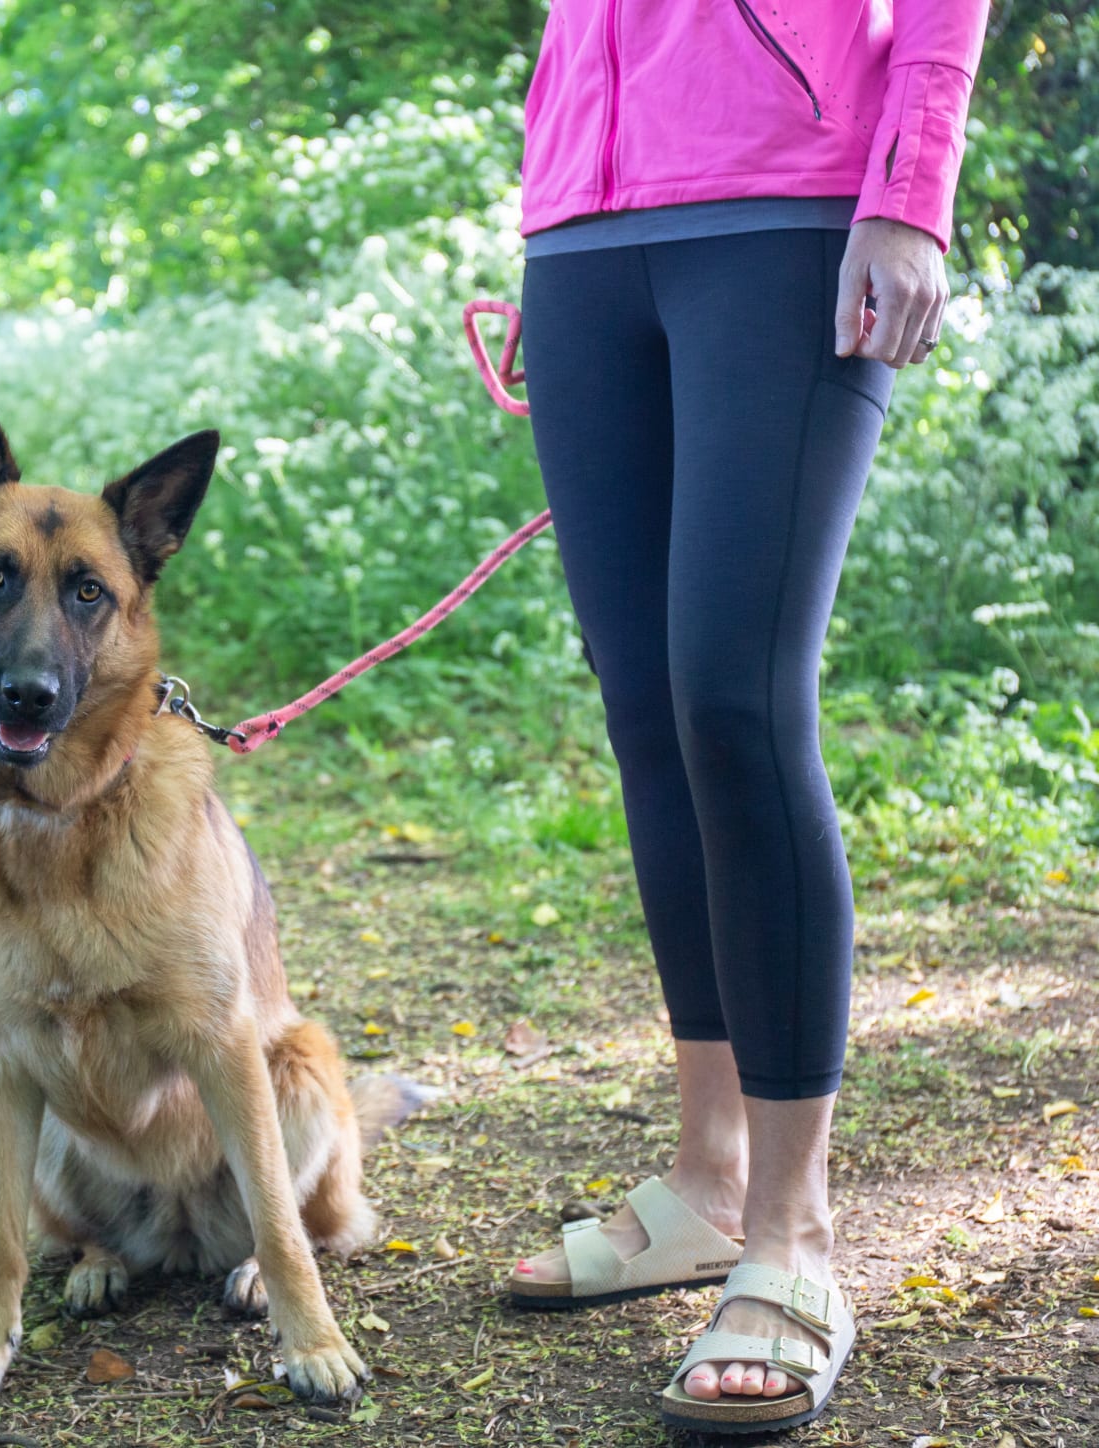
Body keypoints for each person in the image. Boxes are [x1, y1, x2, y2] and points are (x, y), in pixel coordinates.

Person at [501, 1, 991, 1433]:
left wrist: (911, 192)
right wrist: (560, 189)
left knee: (733, 701)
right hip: (583, 227)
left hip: (789, 198)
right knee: (649, 716)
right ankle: (709, 1180)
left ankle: (794, 1235)